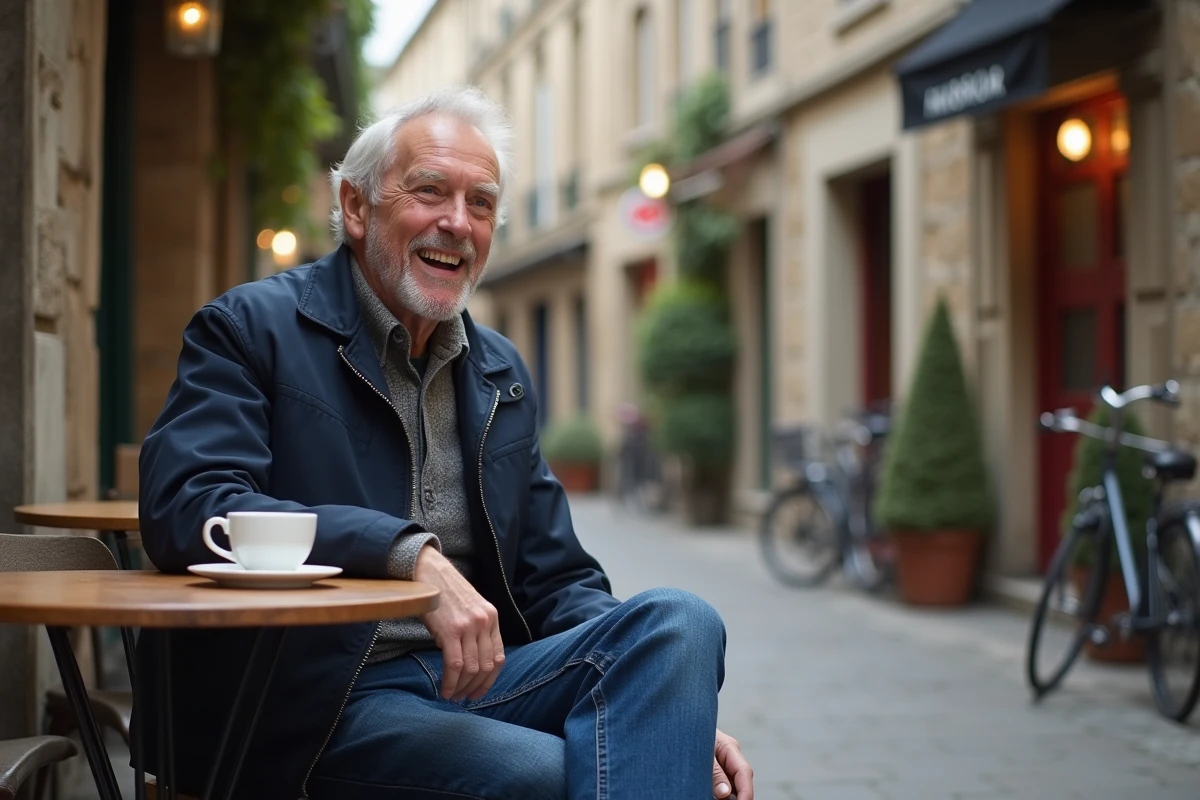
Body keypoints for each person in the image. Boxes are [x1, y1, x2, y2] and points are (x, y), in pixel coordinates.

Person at [136, 85, 754, 800]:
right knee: (549, 779)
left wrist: (660, 707)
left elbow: (557, 578)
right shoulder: (250, 330)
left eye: (481, 202)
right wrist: (406, 557)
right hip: (315, 704)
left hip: (482, 679)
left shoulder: (498, 370)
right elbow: (190, 505)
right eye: (430, 190)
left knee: (682, 623)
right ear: (357, 208)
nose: (457, 223)